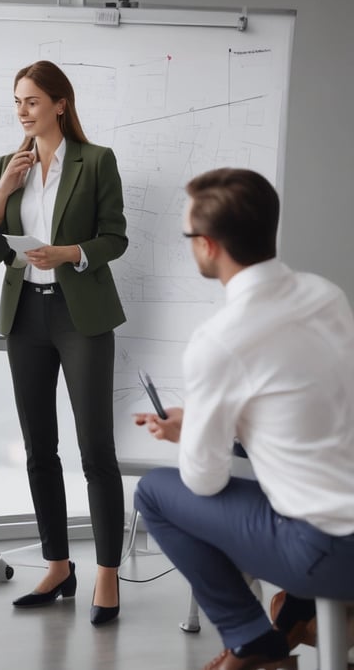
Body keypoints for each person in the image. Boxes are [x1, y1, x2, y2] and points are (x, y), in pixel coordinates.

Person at [133, 168, 354, 670]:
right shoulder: (326, 295)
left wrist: (191, 434)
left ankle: (253, 641)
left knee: (154, 493)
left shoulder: (220, 338)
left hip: (328, 550)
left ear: (208, 245)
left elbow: (204, 482)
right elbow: (304, 407)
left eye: (190, 236)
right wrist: (210, 422)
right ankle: (288, 624)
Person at [0, 60, 128, 625]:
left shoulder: (96, 162)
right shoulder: (5, 165)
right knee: (40, 449)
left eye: (33, 100)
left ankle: (108, 575)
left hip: (79, 313)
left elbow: (116, 236)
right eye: (18, 101)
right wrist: (0, 196)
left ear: (60, 104)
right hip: (26, 318)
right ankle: (58, 565)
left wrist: (70, 254)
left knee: (95, 451)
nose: (23, 110)